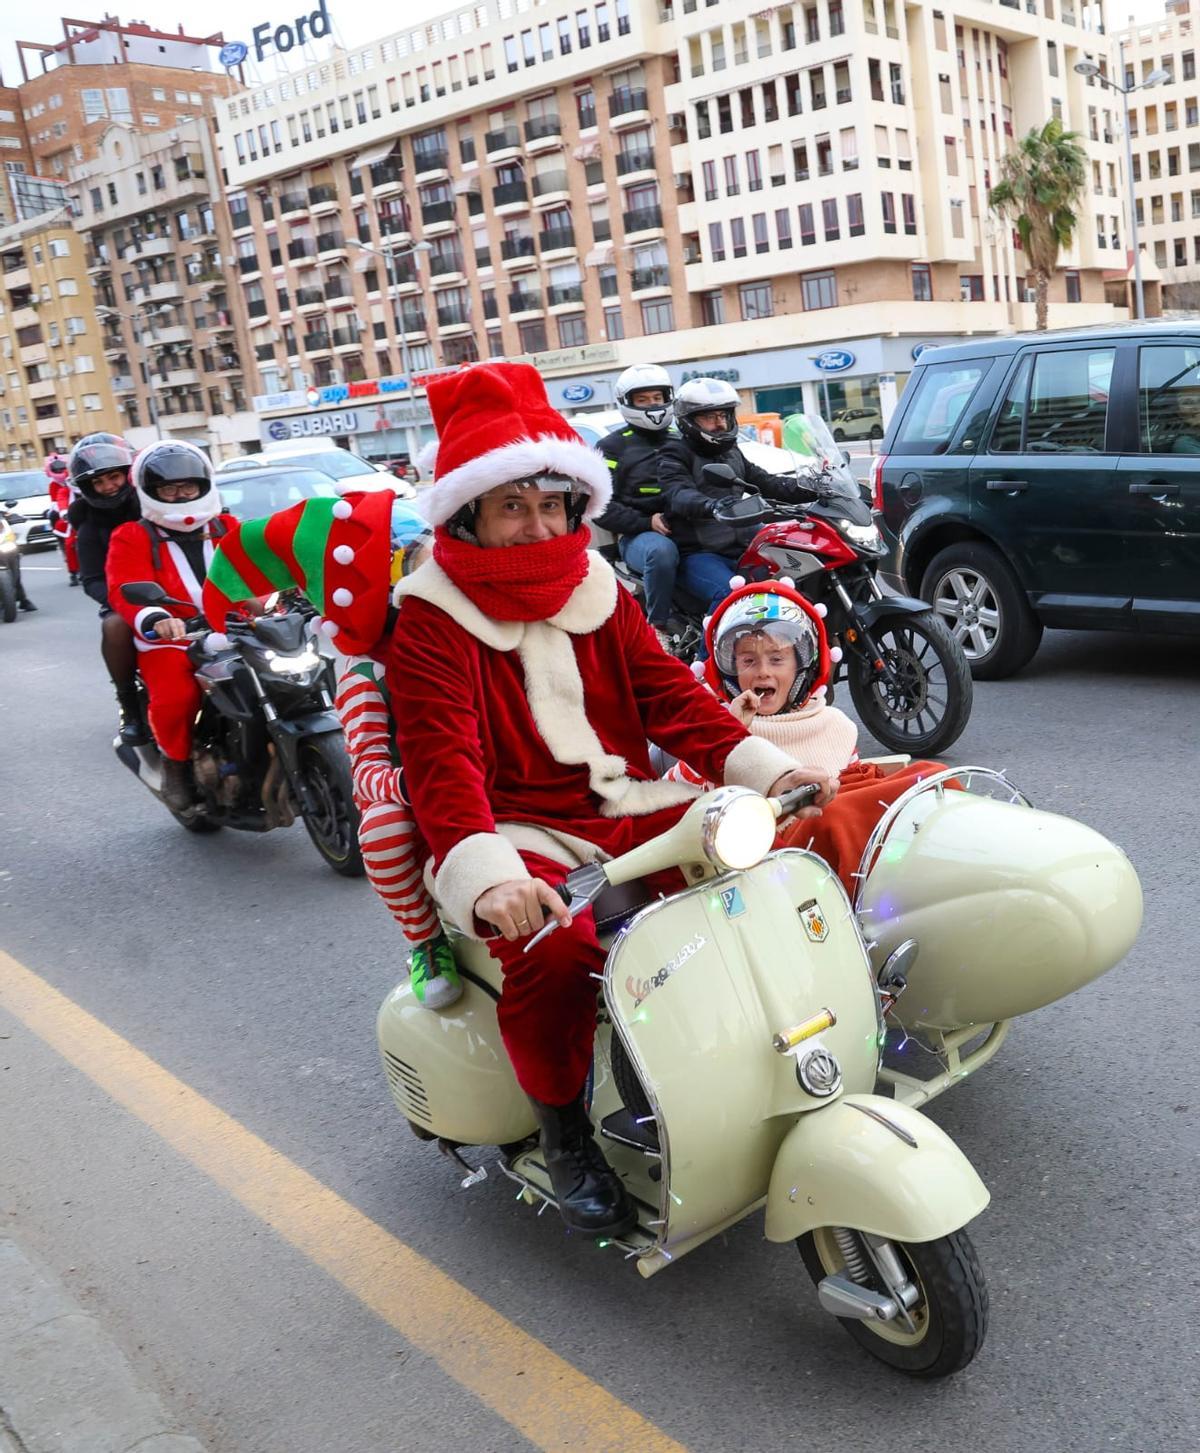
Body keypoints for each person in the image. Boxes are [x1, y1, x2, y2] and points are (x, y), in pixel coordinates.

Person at [386, 361, 835, 1236]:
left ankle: (773, 1047)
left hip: (628, 800)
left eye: (552, 503)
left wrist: (766, 772)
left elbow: (672, 695)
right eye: (514, 504)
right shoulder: (431, 619)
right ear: (471, 512)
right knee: (552, 953)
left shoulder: (599, 588)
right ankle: (563, 1129)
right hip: (517, 829)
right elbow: (445, 765)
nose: (538, 522)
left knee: (769, 863)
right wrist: (488, 878)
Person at [202, 491, 462, 1011]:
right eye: (407, 565)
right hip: (440, 791)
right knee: (384, 831)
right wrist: (416, 784)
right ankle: (426, 943)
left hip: (511, 774)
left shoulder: (476, 628)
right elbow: (365, 770)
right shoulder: (366, 670)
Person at [668, 581, 949, 893]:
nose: (762, 672)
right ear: (731, 670)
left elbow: (856, 786)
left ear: (803, 666)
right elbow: (677, 801)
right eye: (748, 661)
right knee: (838, 816)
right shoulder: (716, 730)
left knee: (933, 778)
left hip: (838, 852)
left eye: (777, 659)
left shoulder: (835, 725)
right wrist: (733, 730)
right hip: (772, 869)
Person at [107, 441, 238, 811]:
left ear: (203, 485)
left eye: (188, 487)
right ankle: (176, 767)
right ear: (152, 492)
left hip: (237, 629)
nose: (180, 495)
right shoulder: (132, 535)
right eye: (169, 488)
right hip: (175, 638)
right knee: (177, 698)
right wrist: (157, 618)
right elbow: (123, 587)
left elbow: (261, 566)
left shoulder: (227, 526)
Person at [657, 377, 817, 624]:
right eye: (709, 418)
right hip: (699, 552)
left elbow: (767, 483)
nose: (720, 423)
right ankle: (707, 661)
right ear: (688, 421)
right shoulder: (674, 453)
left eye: (723, 415)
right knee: (730, 596)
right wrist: (711, 505)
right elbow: (678, 494)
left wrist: (813, 487)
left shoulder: (731, 452)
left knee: (793, 579)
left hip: (743, 545)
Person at [67, 435, 147, 745]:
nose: (109, 486)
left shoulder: (155, 506)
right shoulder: (88, 529)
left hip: (182, 590)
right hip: (125, 600)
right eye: (99, 482)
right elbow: (92, 580)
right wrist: (125, 602)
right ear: (88, 487)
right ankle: (130, 709)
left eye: (114, 476)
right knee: (113, 626)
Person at [594, 364, 679, 650]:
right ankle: (657, 628)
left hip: (689, 526)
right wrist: (646, 522)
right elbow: (601, 506)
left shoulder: (683, 438)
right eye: (643, 400)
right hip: (637, 536)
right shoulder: (612, 446)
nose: (652, 405)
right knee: (660, 551)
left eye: (657, 398)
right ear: (627, 403)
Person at [44, 454, 79, 586]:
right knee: (69, 543)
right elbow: (60, 499)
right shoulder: (58, 487)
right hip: (69, 515)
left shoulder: (81, 484)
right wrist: (64, 512)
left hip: (87, 514)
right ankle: (73, 573)